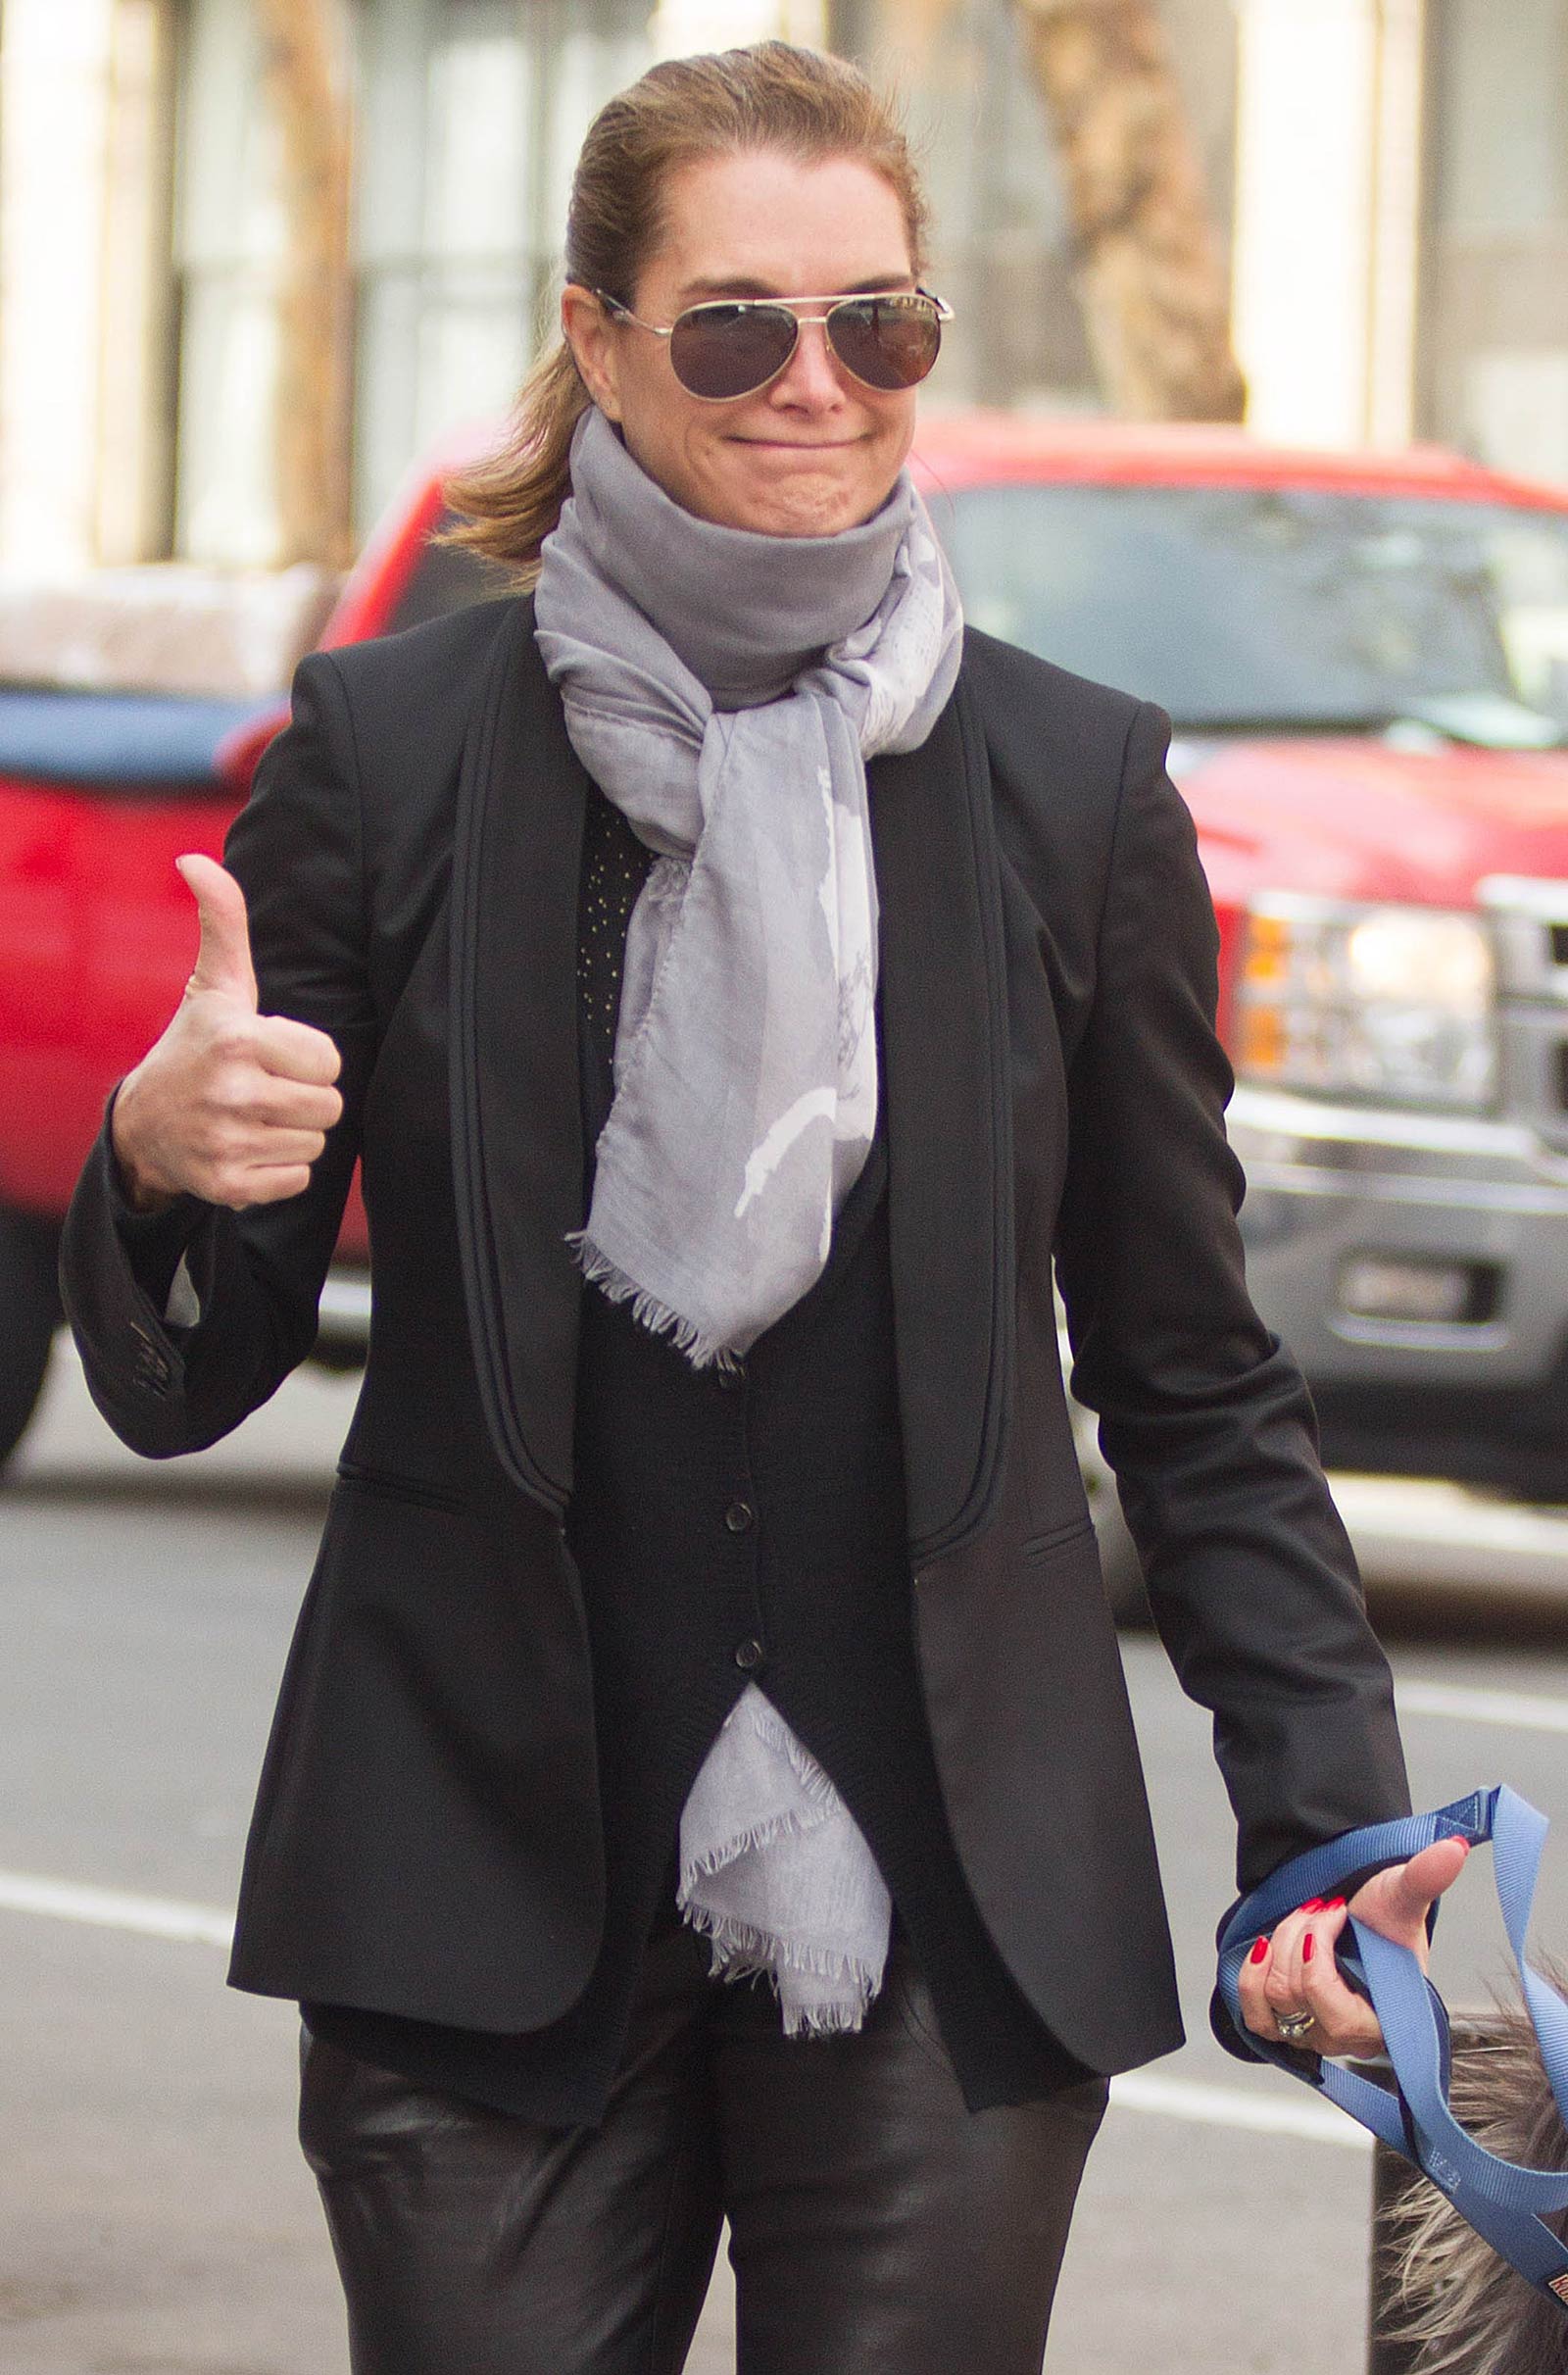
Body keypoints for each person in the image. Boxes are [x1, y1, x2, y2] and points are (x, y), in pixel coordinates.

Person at [61, 40, 1467, 2375]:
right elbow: (194, 1375)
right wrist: (154, 1156)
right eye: (733, 325)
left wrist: (1323, 1831)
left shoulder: (1067, 784)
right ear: (600, 337)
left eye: (873, 326)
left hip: (950, 1898)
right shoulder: (390, 755)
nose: (812, 384)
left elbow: (1188, 1370)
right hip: (470, 1897)